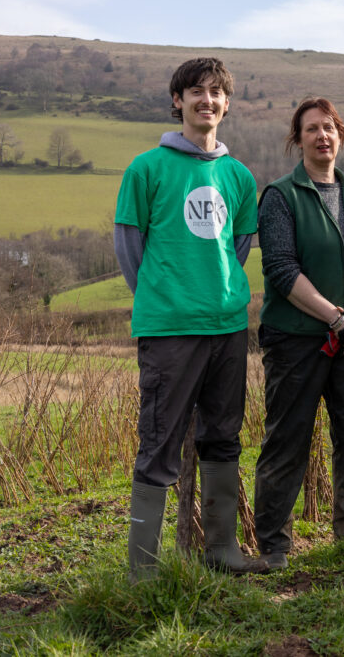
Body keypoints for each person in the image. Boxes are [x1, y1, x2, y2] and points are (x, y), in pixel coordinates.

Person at [115, 57, 266, 579]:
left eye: (216, 93)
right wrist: (167, 294)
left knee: (223, 438)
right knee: (158, 443)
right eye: (195, 92)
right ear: (177, 101)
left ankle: (222, 551)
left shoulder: (239, 176)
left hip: (228, 327)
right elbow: (130, 248)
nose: (207, 100)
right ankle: (143, 571)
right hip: (169, 329)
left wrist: (212, 292)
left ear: (227, 104)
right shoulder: (146, 169)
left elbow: (238, 247)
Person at [253, 97, 344, 570]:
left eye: (329, 127)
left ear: (341, 135)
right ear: (299, 140)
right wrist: (336, 317)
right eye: (311, 129)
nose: (322, 136)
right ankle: (273, 545)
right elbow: (281, 269)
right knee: (287, 442)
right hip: (295, 341)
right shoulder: (280, 196)